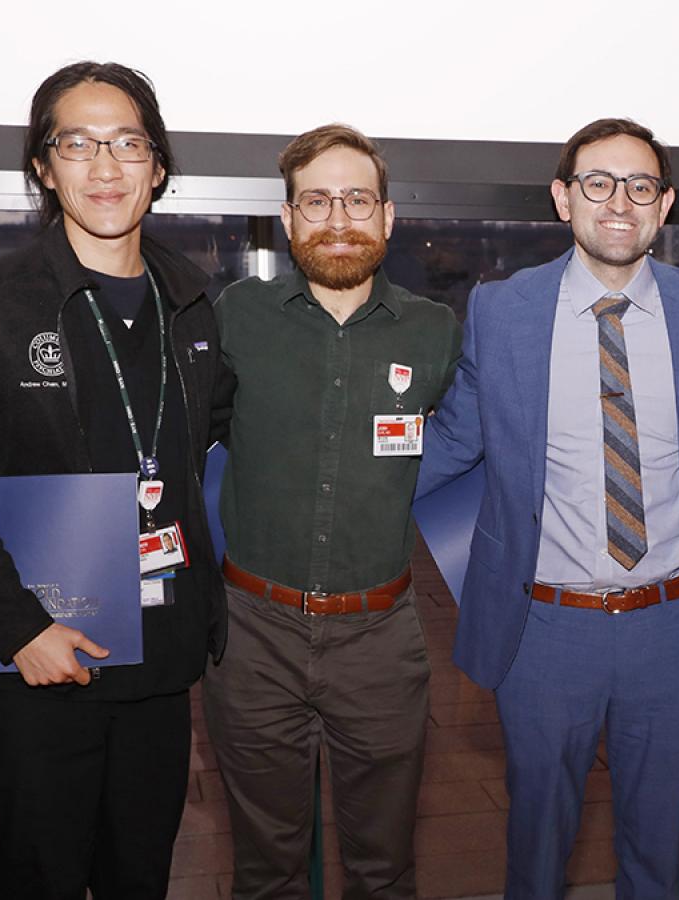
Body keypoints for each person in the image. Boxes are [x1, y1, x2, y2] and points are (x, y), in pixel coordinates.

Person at [414, 117, 679, 898]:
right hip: (544, 633)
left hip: (671, 624)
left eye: (640, 185)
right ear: (564, 198)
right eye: (598, 182)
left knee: (657, 854)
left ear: (664, 205)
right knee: (536, 847)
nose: (619, 202)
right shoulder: (502, 311)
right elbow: (453, 439)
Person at [0, 61, 226, 898]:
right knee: (41, 878)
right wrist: (20, 628)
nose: (105, 166)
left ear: (158, 166)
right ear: (42, 167)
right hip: (34, 666)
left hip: (161, 666)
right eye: (78, 143)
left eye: (128, 142)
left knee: (140, 878)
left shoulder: (194, 303)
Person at [203, 124, 460, 899]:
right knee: (265, 870)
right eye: (317, 200)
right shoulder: (235, 317)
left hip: (381, 642)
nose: (338, 218)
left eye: (356, 199)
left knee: (384, 870)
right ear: (288, 219)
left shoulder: (435, 330)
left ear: (387, 217)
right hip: (252, 638)